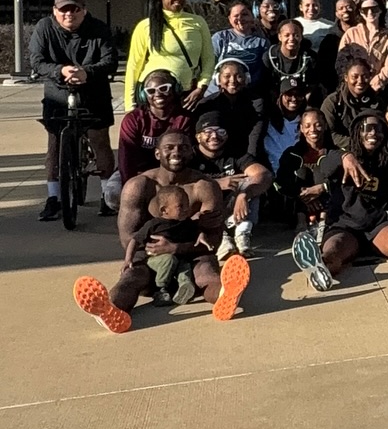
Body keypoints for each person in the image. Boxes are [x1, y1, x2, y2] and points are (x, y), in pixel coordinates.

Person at [72, 129, 249, 332]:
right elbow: (129, 239)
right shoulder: (139, 186)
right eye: (169, 148)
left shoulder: (204, 187)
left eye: (183, 147)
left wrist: (175, 248)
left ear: (192, 152)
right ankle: (109, 308)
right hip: (152, 261)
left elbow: (213, 241)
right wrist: (156, 255)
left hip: (192, 257)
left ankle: (226, 296)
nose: (176, 152)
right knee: (131, 278)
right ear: (157, 153)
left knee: (207, 274)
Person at [291, 110, 388, 289]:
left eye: (379, 129)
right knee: (334, 250)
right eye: (367, 128)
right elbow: (324, 165)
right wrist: (345, 157)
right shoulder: (339, 157)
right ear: (357, 132)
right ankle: (320, 270)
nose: (373, 133)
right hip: (345, 226)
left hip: (379, 225)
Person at [32, 0, 120, 221]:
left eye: (75, 9)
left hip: (94, 91)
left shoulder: (98, 28)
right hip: (57, 92)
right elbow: (37, 61)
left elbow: (110, 60)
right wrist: (60, 71)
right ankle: (53, 198)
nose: (69, 14)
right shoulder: (44, 28)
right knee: (55, 142)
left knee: (99, 139)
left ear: (84, 11)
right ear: (55, 11)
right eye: (63, 10)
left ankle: (107, 196)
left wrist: (87, 72)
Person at [123, 0, 214, 111]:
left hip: (185, 94)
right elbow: (134, 66)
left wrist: (201, 87)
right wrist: (129, 105)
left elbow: (208, 59)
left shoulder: (198, 22)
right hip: (153, 95)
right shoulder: (146, 25)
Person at [192, 109, 272, 258]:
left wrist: (244, 194)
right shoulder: (190, 156)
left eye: (220, 131)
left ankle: (242, 233)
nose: (214, 136)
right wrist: (217, 184)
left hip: (232, 211)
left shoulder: (235, 154)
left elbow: (264, 174)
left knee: (249, 183)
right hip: (202, 216)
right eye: (208, 131)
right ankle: (219, 238)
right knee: (202, 191)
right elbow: (178, 186)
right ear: (198, 136)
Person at [117, 70, 194, 184]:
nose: (157, 94)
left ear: (175, 89)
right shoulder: (133, 120)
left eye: (164, 88)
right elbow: (126, 159)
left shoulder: (184, 119)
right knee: (112, 192)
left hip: (175, 173)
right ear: (143, 95)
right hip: (138, 173)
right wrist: (130, 186)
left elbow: (187, 156)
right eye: (151, 91)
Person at [321, 46, 388, 147]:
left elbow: (383, 131)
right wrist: (357, 144)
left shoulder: (377, 102)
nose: (360, 81)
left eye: (365, 76)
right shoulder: (333, 102)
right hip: (342, 150)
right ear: (346, 78)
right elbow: (329, 134)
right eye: (355, 77)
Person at [259, 19, 326, 109]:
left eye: (296, 35)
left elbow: (312, 84)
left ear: (301, 37)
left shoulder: (310, 57)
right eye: (287, 35)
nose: (291, 39)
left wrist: (303, 104)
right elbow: (267, 86)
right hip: (276, 101)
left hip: (302, 100)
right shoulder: (269, 57)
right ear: (280, 37)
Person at [340, 0, 388, 87]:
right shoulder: (350, 34)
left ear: (380, 10)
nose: (370, 13)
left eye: (374, 9)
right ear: (360, 12)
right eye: (365, 10)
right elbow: (342, 62)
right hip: (353, 86)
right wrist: (353, 83)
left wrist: (374, 85)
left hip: (380, 88)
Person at [210, 1, 270, 84]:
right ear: (230, 19)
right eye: (236, 16)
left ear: (252, 16)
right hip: (220, 89)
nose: (240, 18)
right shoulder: (220, 37)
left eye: (244, 14)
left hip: (250, 89)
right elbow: (208, 65)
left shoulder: (262, 42)